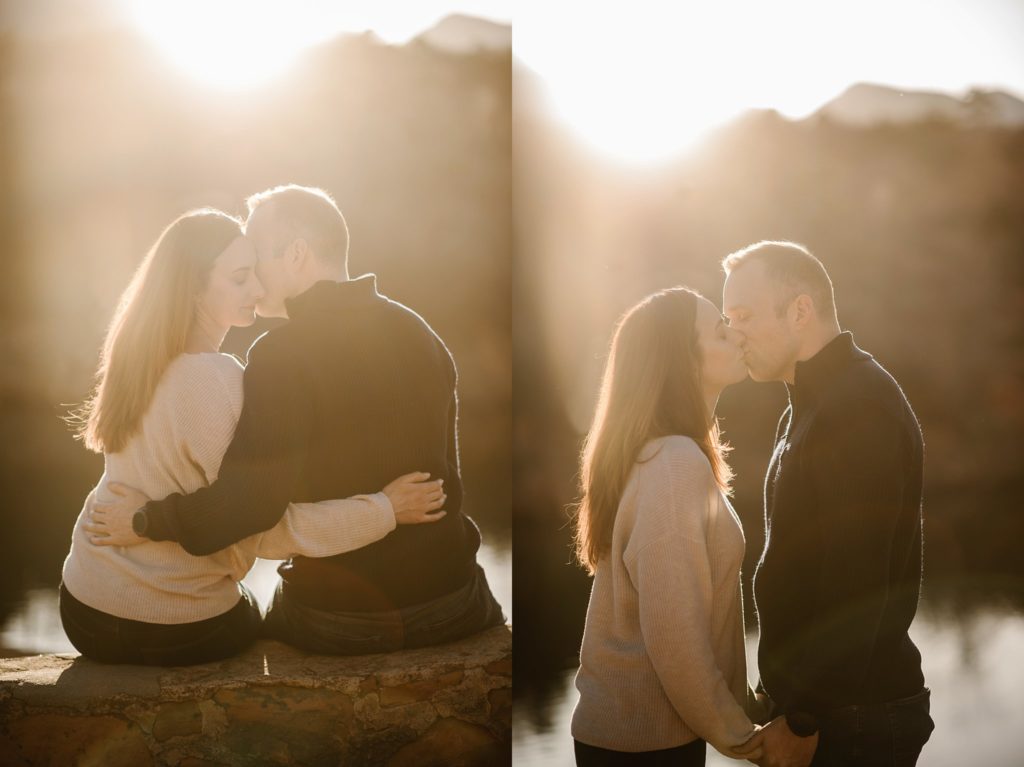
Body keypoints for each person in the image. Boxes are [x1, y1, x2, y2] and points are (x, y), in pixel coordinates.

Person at [92, 185, 504, 655]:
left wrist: (149, 521)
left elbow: (250, 507)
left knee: (253, 617)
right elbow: (449, 483)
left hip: (343, 618)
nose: (256, 281)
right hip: (454, 602)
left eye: (257, 259)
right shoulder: (420, 332)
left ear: (296, 254)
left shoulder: (278, 356)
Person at [721, 241, 932, 767]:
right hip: (828, 710)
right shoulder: (807, 407)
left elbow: (856, 579)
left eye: (743, 315)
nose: (732, 332)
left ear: (800, 311)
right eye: (727, 319)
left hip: (852, 719)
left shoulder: (859, 406)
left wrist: (804, 720)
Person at [571, 287, 765, 766]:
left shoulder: (669, 453)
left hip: (638, 740)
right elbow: (675, 638)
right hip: (643, 748)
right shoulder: (673, 465)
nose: (737, 335)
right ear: (684, 360)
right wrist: (746, 738)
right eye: (721, 331)